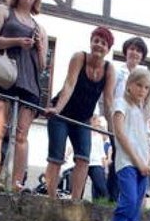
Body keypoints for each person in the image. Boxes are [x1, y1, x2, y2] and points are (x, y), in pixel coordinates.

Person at [0, 0, 47, 192]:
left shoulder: (39, 27)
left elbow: (43, 64)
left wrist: (38, 47)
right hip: (3, 76)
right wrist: (16, 41)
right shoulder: (3, 12)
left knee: (21, 135)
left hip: (29, 81)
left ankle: (17, 182)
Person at [44, 26, 116, 201]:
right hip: (62, 115)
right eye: (96, 41)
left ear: (108, 49)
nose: (99, 45)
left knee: (84, 158)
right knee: (56, 157)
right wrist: (57, 110)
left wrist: (113, 131)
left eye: (103, 43)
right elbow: (69, 84)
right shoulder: (79, 57)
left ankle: (75, 201)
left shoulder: (108, 69)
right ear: (91, 42)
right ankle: (50, 198)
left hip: (83, 119)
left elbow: (107, 101)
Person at [97, 68, 150, 221]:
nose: (142, 90)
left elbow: (144, 139)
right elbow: (120, 134)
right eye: (139, 85)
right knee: (128, 202)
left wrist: (148, 161)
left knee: (135, 207)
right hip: (128, 163)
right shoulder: (121, 104)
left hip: (142, 165)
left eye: (146, 87)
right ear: (129, 84)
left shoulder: (140, 111)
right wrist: (138, 161)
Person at [107, 37, 148, 204]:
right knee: (119, 157)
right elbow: (109, 96)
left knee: (133, 158)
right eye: (132, 49)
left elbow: (146, 104)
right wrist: (111, 120)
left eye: (139, 51)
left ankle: (127, 198)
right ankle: (113, 196)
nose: (135, 53)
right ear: (126, 51)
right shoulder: (117, 71)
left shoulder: (144, 75)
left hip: (135, 122)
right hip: (119, 117)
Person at [86, 114, 110, 202]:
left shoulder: (100, 135)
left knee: (101, 186)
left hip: (96, 163)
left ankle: (104, 204)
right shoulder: (85, 132)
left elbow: (101, 150)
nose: (99, 123)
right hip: (86, 161)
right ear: (92, 120)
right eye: (97, 121)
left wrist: (104, 163)